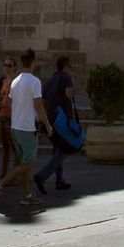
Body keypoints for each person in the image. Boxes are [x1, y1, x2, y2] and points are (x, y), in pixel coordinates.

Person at [1, 49, 53, 207]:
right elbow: (38, 105)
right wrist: (47, 125)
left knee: (24, 162)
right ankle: (0, 184)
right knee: (29, 163)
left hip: (15, 127)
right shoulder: (34, 81)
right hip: (27, 128)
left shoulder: (15, 81)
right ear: (33, 62)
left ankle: (27, 194)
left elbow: (8, 103)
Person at [34, 55, 77, 193]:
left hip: (51, 119)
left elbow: (43, 102)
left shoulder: (49, 80)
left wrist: (43, 121)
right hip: (62, 120)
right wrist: (72, 89)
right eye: (69, 66)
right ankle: (42, 176)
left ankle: (59, 180)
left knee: (57, 148)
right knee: (65, 149)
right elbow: (69, 94)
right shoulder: (65, 77)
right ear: (65, 65)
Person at [0, 58, 16, 181]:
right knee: (5, 147)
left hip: (12, 117)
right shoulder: (2, 81)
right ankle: (4, 173)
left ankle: (15, 175)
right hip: (1, 116)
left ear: (14, 67)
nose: (7, 67)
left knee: (15, 147)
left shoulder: (17, 82)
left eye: (9, 65)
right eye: (5, 65)